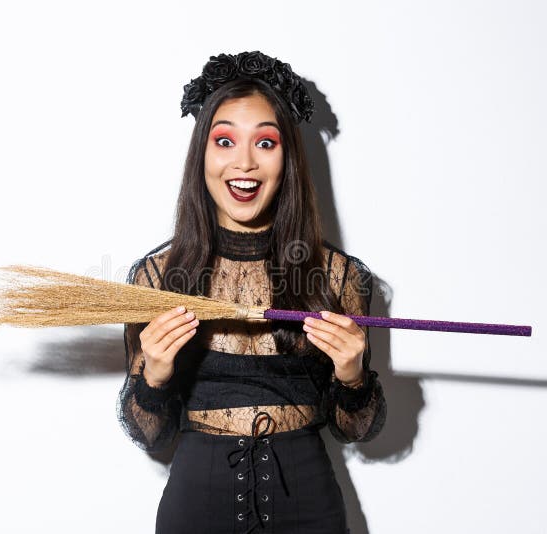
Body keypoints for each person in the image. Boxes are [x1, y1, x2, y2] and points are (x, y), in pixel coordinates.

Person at [116, 51, 387, 534]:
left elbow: (358, 430)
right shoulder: (158, 277)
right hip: (194, 511)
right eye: (224, 140)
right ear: (202, 154)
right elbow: (149, 434)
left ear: (288, 158)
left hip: (311, 509)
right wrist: (154, 375)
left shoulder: (340, 276)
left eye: (265, 142)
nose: (244, 162)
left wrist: (352, 376)